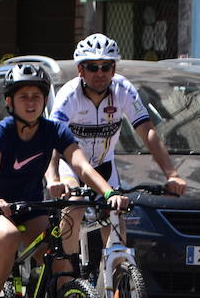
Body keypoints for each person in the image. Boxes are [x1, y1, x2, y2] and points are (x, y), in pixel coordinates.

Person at [0, 63, 127, 298]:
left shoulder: (53, 130)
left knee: (60, 263)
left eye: (36, 96)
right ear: (9, 102)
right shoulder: (0, 132)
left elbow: (81, 164)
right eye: (23, 96)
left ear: (44, 100)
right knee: (8, 237)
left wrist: (108, 192)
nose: (31, 102)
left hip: (30, 207)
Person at [51, 34, 185, 195]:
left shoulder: (123, 90)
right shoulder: (69, 95)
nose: (100, 73)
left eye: (106, 67)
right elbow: (52, 139)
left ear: (113, 69)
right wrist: (54, 179)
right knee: (75, 203)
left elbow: (147, 130)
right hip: (71, 166)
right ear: (81, 70)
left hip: (105, 166)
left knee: (118, 212)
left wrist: (172, 174)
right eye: (93, 67)